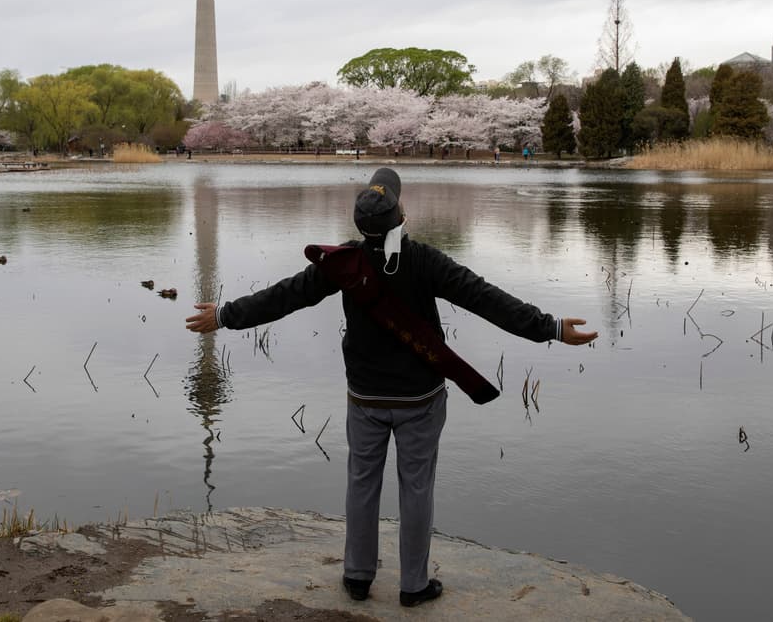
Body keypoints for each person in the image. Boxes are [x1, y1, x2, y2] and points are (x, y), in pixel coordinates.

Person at [185, 168, 596, 607]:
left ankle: (358, 577)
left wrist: (226, 315)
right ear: (402, 216)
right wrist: (549, 327)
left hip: (365, 397)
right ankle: (413, 586)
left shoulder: (342, 264)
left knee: (361, 483)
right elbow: (486, 299)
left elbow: (285, 295)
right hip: (420, 397)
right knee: (416, 488)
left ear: (360, 227)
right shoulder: (424, 260)